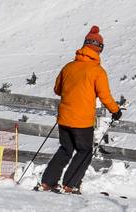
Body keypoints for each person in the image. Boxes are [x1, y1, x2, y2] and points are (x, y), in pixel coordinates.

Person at [35, 26, 122, 194]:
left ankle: (47, 182)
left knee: (65, 149)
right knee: (84, 151)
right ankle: (70, 184)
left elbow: (57, 89)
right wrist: (115, 111)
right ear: (99, 49)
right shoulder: (97, 71)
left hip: (64, 118)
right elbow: (105, 96)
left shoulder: (68, 67)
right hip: (82, 122)